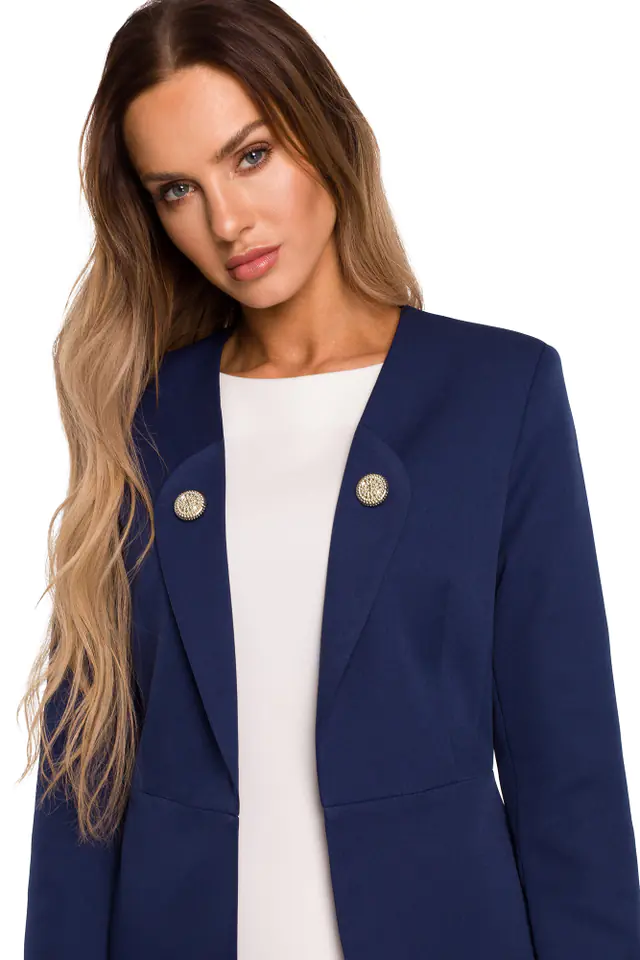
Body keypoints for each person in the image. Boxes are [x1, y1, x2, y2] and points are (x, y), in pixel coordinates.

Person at [19, 0, 640, 958]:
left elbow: (570, 778)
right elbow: (84, 784)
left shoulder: (497, 395)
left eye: (251, 155)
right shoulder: (141, 418)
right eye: (177, 190)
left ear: (325, 127)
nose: (227, 221)